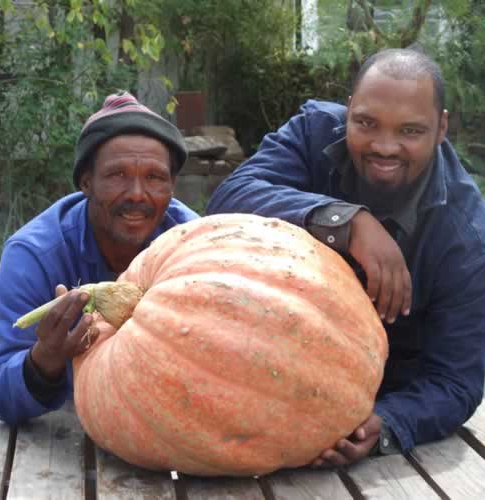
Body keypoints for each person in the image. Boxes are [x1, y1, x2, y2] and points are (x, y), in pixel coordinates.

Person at [206, 48, 485, 465]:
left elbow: (454, 381)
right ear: (349, 109)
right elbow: (226, 200)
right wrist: (345, 222)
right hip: (256, 373)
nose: (385, 147)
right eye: (367, 123)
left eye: (410, 131)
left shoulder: (467, 237)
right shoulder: (315, 132)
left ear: (441, 127)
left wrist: (388, 422)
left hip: (359, 413)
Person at [0, 92, 198, 425]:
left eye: (155, 178)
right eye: (118, 175)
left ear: (172, 187)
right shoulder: (32, 257)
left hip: (167, 429)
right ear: (86, 182)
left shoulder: (193, 244)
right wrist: (43, 363)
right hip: (63, 442)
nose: (138, 194)